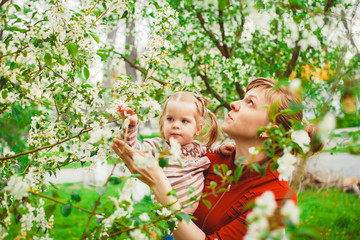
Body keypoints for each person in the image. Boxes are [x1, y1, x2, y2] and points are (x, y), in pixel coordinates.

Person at [112, 78, 322, 239]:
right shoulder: (210, 159)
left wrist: (161, 187)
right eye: (243, 97)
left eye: (250, 102)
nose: (233, 103)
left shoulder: (278, 198)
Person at [117, 92, 235, 213]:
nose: (175, 125)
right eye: (170, 119)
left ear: (198, 129)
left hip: (193, 221)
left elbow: (210, 150)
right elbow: (132, 149)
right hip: (167, 214)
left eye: (184, 121)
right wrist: (130, 126)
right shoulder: (159, 146)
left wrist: (220, 148)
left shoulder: (197, 148)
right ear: (163, 122)